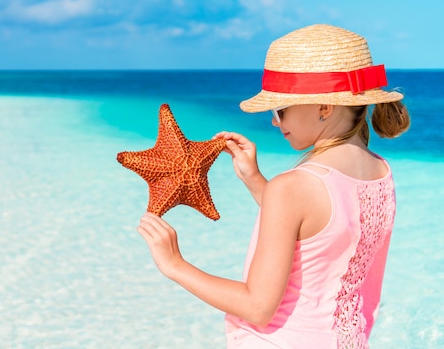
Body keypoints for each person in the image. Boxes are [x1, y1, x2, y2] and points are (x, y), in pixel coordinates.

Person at [137, 24, 410, 349]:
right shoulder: (380, 172)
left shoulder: (292, 186)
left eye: (280, 111)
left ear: (325, 107)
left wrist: (175, 264)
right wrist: (254, 178)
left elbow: (258, 308)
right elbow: (319, 233)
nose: (274, 121)